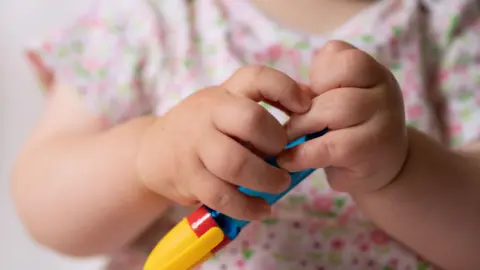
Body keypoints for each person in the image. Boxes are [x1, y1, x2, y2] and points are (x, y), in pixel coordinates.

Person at [11, 0, 480, 269]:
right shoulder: (145, 21)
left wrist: (401, 170)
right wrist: (145, 158)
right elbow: (44, 206)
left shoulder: (447, 24)